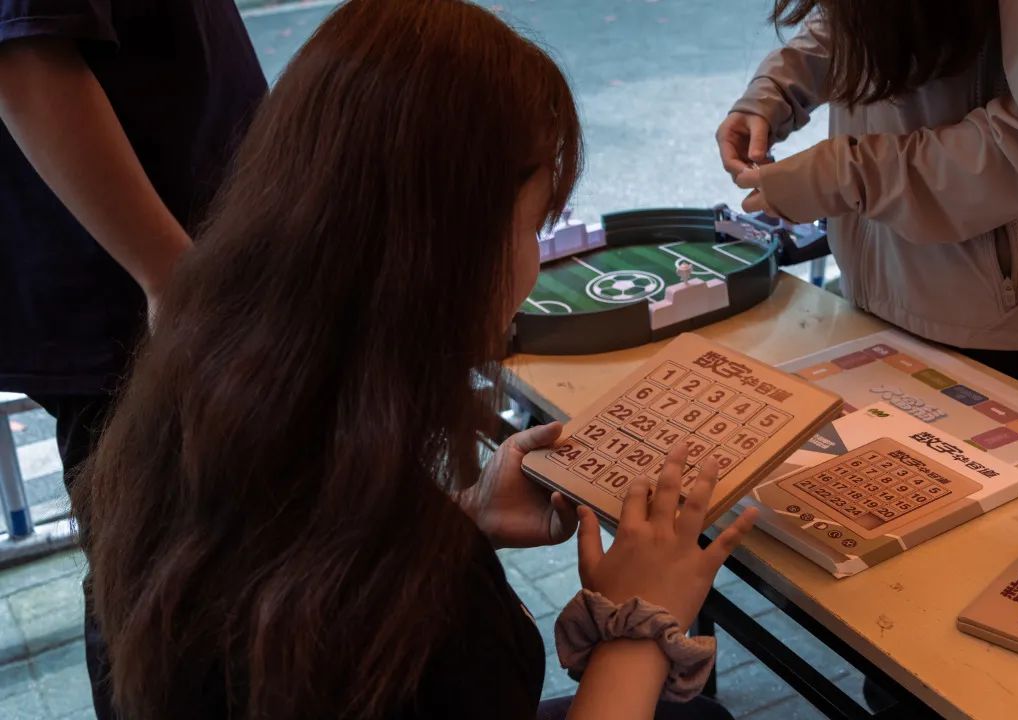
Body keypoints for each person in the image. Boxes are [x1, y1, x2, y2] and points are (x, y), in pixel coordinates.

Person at [72, 2, 757, 718]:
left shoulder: (203, 398)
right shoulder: (416, 606)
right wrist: (636, 626)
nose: (532, 264)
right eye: (533, 226)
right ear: (450, 256)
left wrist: (463, 517)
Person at [0, 2, 266, 716]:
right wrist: (172, 281)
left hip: (190, 286)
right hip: (148, 317)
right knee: (169, 583)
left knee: (206, 566)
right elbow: (26, 58)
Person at [717, 0, 1018, 404]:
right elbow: (864, 19)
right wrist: (777, 87)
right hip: (879, 286)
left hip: (998, 324)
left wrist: (845, 176)